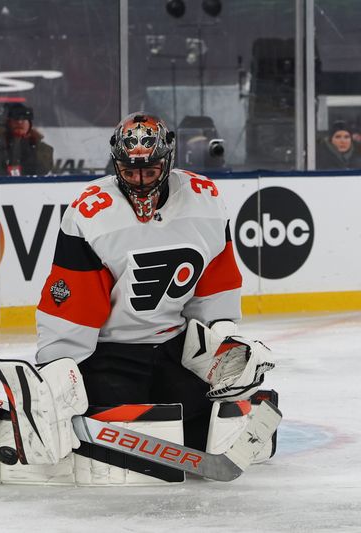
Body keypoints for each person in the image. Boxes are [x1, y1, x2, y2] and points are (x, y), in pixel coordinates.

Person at [32, 112, 275, 453]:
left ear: (167, 162)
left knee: (208, 426)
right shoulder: (90, 213)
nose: (140, 180)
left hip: (173, 349)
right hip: (110, 354)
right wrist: (58, 369)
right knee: (125, 439)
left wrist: (221, 337)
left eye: (149, 171)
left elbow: (216, 282)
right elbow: (74, 305)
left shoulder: (204, 199)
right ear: (116, 164)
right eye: (130, 171)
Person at [0, 102, 53, 177]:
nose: (19, 122)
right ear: (7, 122)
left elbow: (41, 170)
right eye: (15, 118)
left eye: (24, 118)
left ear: (29, 123)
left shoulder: (41, 148)